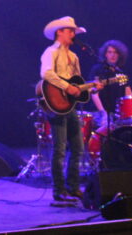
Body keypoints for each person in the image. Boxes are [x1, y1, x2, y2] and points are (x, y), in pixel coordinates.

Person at [39, 16, 96, 203]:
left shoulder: (74, 56)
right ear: (59, 32)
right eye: (70, 30)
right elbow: (46, 73)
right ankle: (59, 190)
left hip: (69, 106)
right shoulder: (50, 51)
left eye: (73, 31)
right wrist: (66, 87)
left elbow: (78, 84)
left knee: (78, 148)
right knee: (60, 149)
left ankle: (73, 187)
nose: (73, 34)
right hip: (55, 103)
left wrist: (93, 87)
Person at [89, 40, 132, 134]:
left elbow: (127, 92)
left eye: (115, 52)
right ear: (105, 54)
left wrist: (131, 109)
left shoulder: (121, 72)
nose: (113, 55)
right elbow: (94, 93)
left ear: (119, 55)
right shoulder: (97, 69)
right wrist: (103, 113)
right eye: (110, 52)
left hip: (118, 113)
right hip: (100, 112)